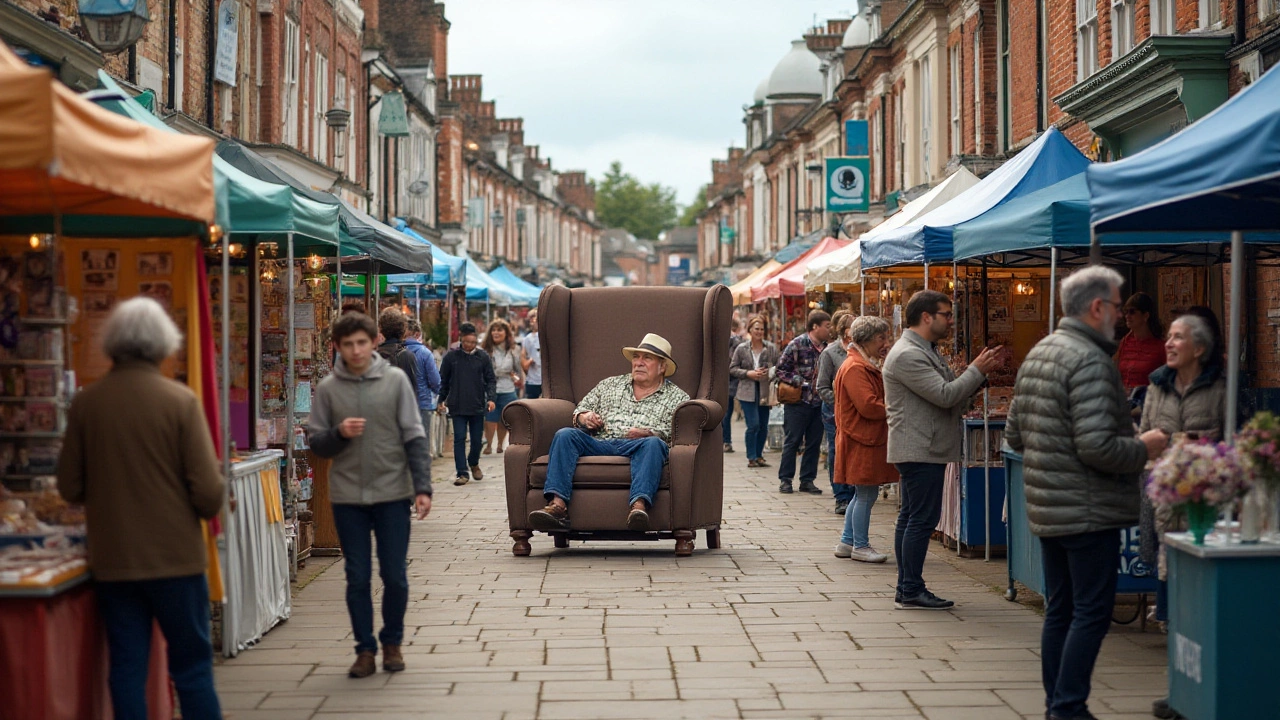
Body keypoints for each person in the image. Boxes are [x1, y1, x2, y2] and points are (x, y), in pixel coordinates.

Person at [1004, 266, 1170, 720]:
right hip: (1087, 508)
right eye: (1117, 306)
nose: (1119, 316)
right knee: (1091, 612)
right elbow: (1097, 446)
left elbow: (1015, 434)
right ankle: (1069, 706)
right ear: (1097, 307)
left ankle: (1057, 703)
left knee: (1061, 608)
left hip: (1049, 504)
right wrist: (1144, 445)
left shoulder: (1041, 352)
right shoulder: (1090, 360)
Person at [57, 298, 226, 719]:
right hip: (176, 560)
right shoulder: (180, 401)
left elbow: (69, 486)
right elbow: (207, 494)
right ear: (163, 343)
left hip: (115, 561)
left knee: (127, 667)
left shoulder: (87, 404)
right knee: (191, 668)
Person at [884, 290, 1004, 610]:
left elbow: (955, 398)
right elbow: (946, 395)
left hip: (925, 445)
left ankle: (907, 587)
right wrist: (976, 370)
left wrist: (976, 378)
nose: (951, 321)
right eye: (946, 314)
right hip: (920, 447)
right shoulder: (909, 354)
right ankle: (910, 588)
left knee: (913, 517)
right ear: (927, 317)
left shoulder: (925, 350)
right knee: (920, 519)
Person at [1136, 313, 1225, 720]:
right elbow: (1145, 439)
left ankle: (1202, 688)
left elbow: (1232, 442)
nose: (1169, 343)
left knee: (1203, 602)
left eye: (1178, 338)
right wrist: (1171, 443)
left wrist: (1203, 448)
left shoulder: (1221, 387)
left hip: (1206, 508)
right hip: (1165, 505)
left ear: (1200, 348)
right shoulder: (1157, 386)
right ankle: (1176, 689)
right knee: (1170, 599)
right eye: (1168, 336)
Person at [527, 333, 690, 532]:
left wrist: (651, 433)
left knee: (654, 444)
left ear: (662, 367)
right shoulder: (610, 384)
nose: (638, 363)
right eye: (636, 357)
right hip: (599, 441)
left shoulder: (678, 398)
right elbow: (581, 408)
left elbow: (678, 433)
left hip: (640, 447)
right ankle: (557, 507)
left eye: (647, 358)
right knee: (565, 435)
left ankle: (638, 509)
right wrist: (584, 417)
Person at [833, 316, 896, 563]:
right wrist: (896, 407)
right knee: (866, 495)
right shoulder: (856, 367)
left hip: (862, 438)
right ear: (868, 339)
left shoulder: (858, 363)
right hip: (863, 438)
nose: (886, 342)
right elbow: (869, 406)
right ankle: (861, 545)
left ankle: (847, 542)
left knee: (862, 494)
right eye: (881, 337)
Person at [775, 310, 832, 495]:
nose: (829, 329)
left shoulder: (827, 348)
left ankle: (807, 480)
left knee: (814, 443)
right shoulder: (797, 344)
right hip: (798, 402)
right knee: (792, 441)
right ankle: (786, 479)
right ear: (815, 327)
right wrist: (801, 382)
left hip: (819, 403)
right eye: (827, 325)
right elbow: (780, 369)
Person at [438, 322, 496, 486]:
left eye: (472, 342)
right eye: (466, 342)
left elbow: (490, 380)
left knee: (477, 440)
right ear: (461, 340)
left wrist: (491, 398)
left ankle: (473, 462)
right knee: (459, 438)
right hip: (457, 405)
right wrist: (441, 400)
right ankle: (462, 472)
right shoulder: (451, 358)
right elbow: (444, 381)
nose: (469, 345)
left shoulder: (483, 357)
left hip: (477, 405)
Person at [816, 311, 856, 514]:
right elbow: (822, 387)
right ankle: (841, 495)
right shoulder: (830, 354)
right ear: (843, 331)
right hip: (834, 412)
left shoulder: (861, 352)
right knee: (836, 450)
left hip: (857, 413)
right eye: (852, 328)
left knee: (854, 450)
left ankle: (854, 490)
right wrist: (840, 402)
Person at [730, 316, 780, 469]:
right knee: (753, 424)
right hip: (747, 391)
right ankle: (751, 456)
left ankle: (759, 455)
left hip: (765, 390)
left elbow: (779, 367)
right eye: (756, 328)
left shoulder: (770, 348)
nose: (759, 332)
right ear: (750, 330)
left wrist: (770, 373)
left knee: (763, 425)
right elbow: (732, 369)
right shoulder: (742, 348)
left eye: (762, 329)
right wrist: (749, 373)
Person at [404, 318, 442, 475]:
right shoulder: (425, 353)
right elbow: (435, 381)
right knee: (422, 440)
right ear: (418, 334)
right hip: (422, 402)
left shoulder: (394, 351)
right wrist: (440, 395)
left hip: (401, 404)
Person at [481, 318, 524, 455]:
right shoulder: (485, 350)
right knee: (489, 418)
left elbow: (518, 370)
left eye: (499, 330)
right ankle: (488, 445)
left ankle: (500, 444)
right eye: (493, 330)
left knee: (503, 418)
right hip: (490, 388)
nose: (496, 332)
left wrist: (516, 378)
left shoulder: (514, 350)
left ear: (506, 333)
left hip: (508, 388)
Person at [1116, 292, 1165, 395]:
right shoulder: (1125, 343)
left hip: (1146, 404)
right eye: (1126, 312)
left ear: (1145, 315)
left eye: (1132, 312)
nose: (1127, 316)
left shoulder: (1161, 348)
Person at [376, 308, 419, 392]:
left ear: (381, 329)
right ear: (404, 329)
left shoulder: (374, 356)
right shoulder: (407, 356)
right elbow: (412, 391)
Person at [724, 317, 745, 453]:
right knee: (727, 412)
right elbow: (733, 362)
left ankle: (725, 441)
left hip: (724, 380)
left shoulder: (721, 339)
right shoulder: (736, 341)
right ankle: (726, 441)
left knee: (725, 412)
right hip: (730, 380)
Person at [521, 309, 543, 399]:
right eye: (531, 318)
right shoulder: (527, 339)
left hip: (544, 381)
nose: (533, 321)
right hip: (533, 381)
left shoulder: (547, 335)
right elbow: (524, 365)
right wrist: (529, 361)